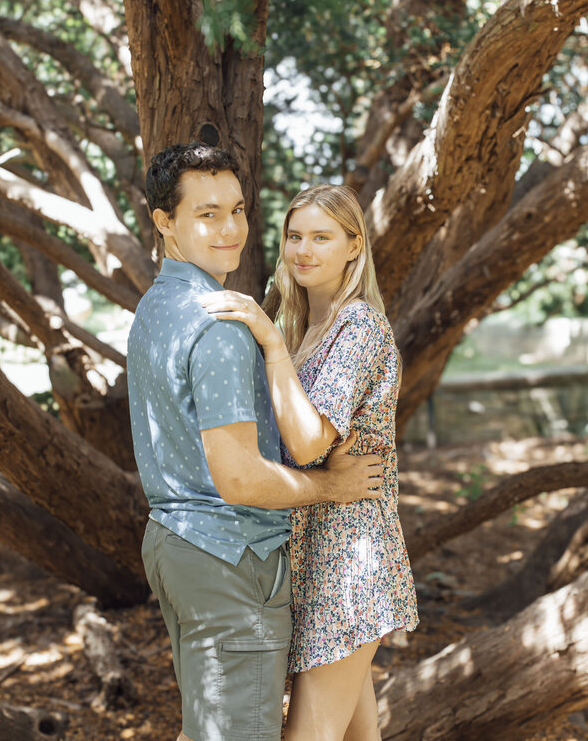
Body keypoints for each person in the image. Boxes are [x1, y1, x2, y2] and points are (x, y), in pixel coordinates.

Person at [126, 143, 384, 741]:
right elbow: (239, 478)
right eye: (207, 213)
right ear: (165, 222)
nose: (230, 229)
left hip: (182, 547)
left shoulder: (156, 306)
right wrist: (333, 486)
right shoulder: (220, 326)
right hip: (230, 555)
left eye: (237, 210)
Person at [199, 184, 418, 741]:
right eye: (295, 235)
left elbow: (308, 445)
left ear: (354, 246)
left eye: (322, 237)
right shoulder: (305, 330)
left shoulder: (359, 328)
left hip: (350, 563)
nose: (304, 250)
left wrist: (270, 343)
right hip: (310, 557)